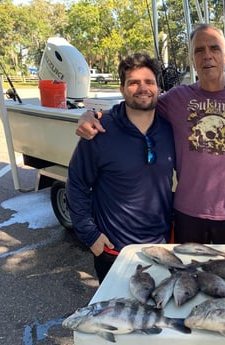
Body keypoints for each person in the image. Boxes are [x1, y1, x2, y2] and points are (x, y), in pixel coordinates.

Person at [75, 24, 225, 244]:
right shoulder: (177, 98)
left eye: (214, 48)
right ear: (192, 58)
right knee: (188, 275)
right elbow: (137, 104)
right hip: (187, 213)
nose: (207, 56)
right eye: (199, 50)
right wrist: (91, 114)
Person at [66, 53, 175, 283]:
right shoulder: (100, 131)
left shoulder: (170, 129)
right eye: (133, 82)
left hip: (160, 248)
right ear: (123, 89)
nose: (142, 88)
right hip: (114, 252)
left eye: (149, 82)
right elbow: (77, 183)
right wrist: (89, 235)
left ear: (158, 88)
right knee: (119, 317)